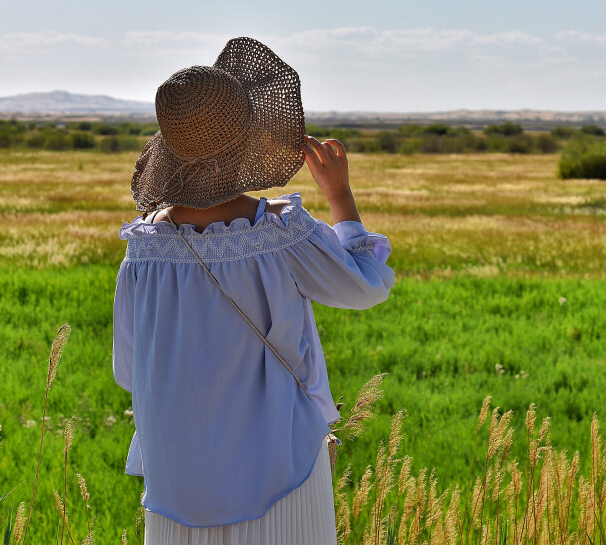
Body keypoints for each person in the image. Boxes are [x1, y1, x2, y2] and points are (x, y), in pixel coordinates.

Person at [112, 37, 395, 544]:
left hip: (177, 482)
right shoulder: (277, 233)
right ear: (252, 139)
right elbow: (366, 287)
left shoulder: (144, 251)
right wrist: (341, 198)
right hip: (280, 468)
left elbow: (130, 371)